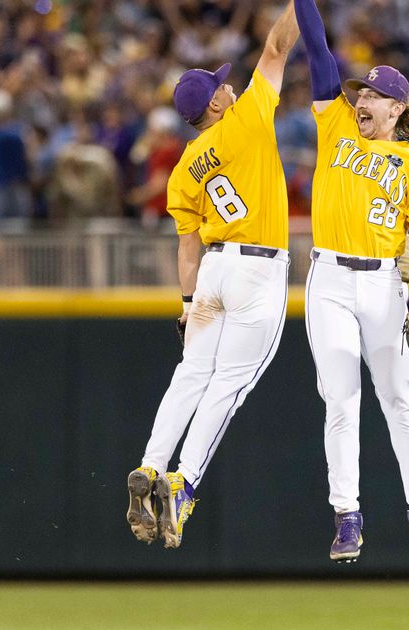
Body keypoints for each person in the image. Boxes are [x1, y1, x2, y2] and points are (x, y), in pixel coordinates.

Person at [126, 0, 299, 550]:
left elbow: (186, 244)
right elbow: (276, 46)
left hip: (211, 274)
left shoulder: (182, 169)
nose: (230, 87)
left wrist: (185, 302)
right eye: (223, 85)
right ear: (218, 102)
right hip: (256, 271)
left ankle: (151, 464)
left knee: (191, 374)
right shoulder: (246, 118)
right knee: (229, 385)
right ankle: (182, 483)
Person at [293, 0, 409, 575]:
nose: (361, 100)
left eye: (374, 95)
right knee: (341, 395)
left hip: (383, 284)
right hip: (329, 277)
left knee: (402, 403)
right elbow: (316, 47)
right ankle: (347, 513)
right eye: (360, 93)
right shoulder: (334, 124)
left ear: (396, 108)